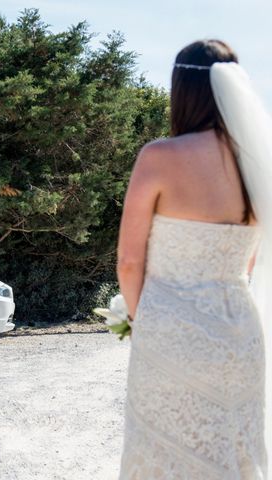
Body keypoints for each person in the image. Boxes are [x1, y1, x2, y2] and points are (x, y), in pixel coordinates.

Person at [117, 39, 270, 478]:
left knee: (165, 447)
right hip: (241, 327)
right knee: (233, 442)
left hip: (171, 328)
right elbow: (253, 261)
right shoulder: (259, 163)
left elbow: (129, 260)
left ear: (181, 89)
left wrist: (139, 318)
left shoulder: (160, 157)